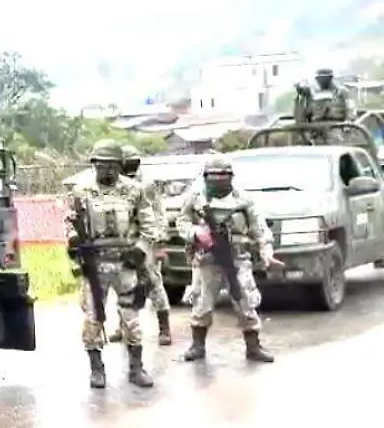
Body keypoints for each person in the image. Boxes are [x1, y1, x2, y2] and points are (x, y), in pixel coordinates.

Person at [65, 139, 162, 389]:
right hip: (95, 265)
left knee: (131, 318)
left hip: (125, 264)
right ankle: (97, 370)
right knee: (93, 318)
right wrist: (74, 240)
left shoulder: (134, 191)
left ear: (120, 165)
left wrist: (140, 250)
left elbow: (149, 227)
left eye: (112, 165)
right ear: (94, 164)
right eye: (101, 165)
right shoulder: (81, 192)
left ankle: (136, 368)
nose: (107, 170)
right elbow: (70, 224)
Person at [175, 156, 282, 363]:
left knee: (244, 299)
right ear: (206, 177)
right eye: (214, 176)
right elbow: (182, 221)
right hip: (207, 258)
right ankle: (197, 345)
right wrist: (196, 233)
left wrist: (266, 250)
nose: (218, 180)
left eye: (223, 176)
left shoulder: (243, 199)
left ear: (231, 177)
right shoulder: (196, 197)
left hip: (237, 257)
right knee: (202, 302)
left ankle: (253, 346)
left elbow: (259, 227)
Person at [107, 144, 173, 346]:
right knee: (123, 283)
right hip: (123, 240)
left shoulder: (147, 184)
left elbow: (159, 213)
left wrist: (159, 243)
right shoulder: (114, 183)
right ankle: (123, 326)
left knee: (153, 282)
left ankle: (164, 328)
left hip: (145, 239)